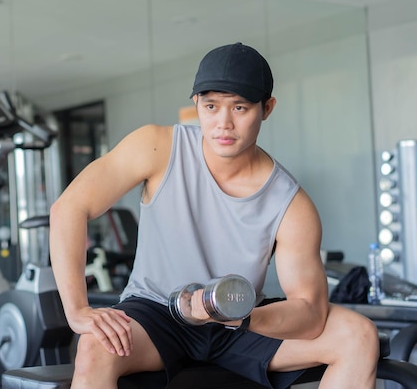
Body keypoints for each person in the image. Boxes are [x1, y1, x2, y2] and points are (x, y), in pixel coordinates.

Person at [49, 42, 379, 389]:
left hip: (240, 321)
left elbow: (310, 313)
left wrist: (241, 317)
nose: (224, 123)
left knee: (357, 335)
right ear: (196, 105)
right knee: (95, 346)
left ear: (267, 108)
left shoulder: (291, 203)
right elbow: (70, 208)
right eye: (211, 106)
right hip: (157, 313)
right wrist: (77, 311)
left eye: (240, 107)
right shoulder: (157, 147)